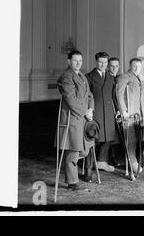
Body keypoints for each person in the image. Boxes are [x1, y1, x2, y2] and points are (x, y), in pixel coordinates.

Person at [56, 50, 94, 190]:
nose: (78, 63)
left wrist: (90, 110)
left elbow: (90, 95)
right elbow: (71, 99)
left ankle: (70, 167)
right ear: (69, 61)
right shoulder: (67, 76)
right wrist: (85, 112)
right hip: (72, 118)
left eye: (80, 61)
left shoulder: (82, 76)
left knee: (85, 150)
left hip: (83, 117)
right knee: (74, 149)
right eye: (75, 60)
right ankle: (72, 182)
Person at [85, 52, 118, 177]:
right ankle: (88, 167)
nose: (103, 64)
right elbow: (87, 96)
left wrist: (117, 110)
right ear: (96, 62)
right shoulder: (89, 76)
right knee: (92, 138)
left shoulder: (110, 77)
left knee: (108, 136)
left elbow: (113, 95)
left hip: (109, 112)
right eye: (100, 62)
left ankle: (102, 161)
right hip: (96, 112)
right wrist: (89, 111)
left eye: (105, 62)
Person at [115, 58, 144, 174]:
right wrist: (123, 110)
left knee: (137, 138)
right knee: (131, 139)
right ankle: (132, 162)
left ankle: (134, 160)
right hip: (130, 114)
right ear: (129, 65)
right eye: (134, 66)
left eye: (138, 66)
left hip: (139, 114)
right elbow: (119, 94)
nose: (137, 68)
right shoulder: (125, 76)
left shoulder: (140, 78)